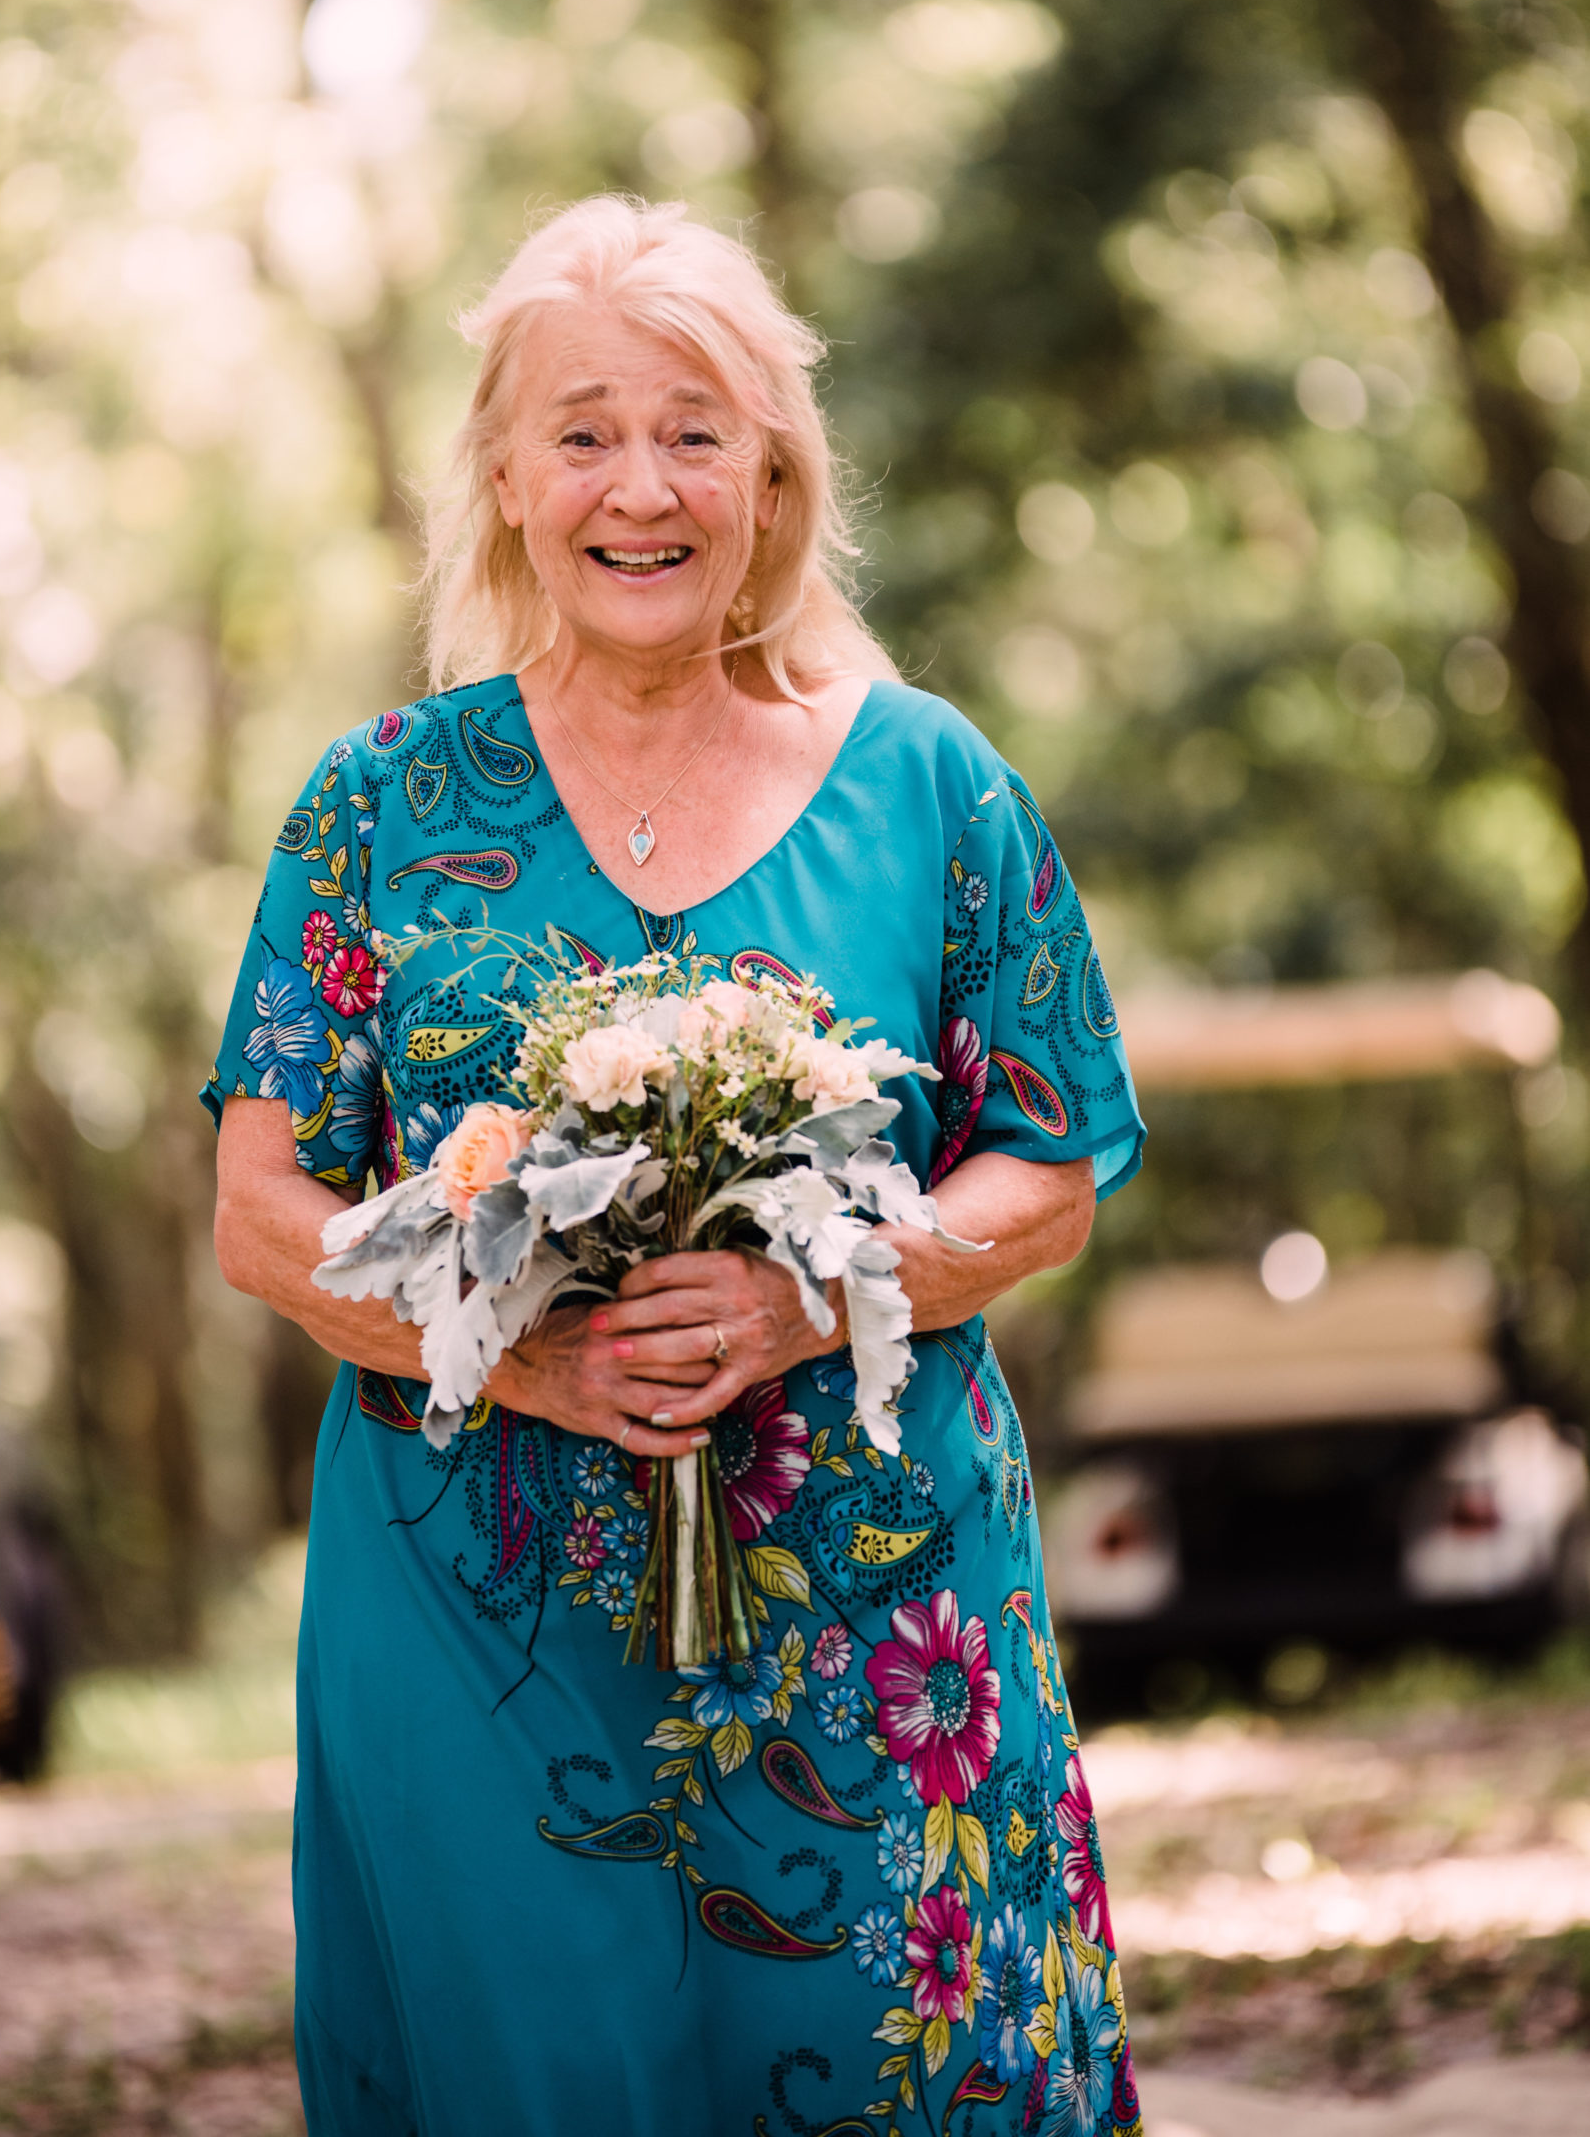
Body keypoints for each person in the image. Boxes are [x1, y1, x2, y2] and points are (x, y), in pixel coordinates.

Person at [205, 197, 1146, 2137]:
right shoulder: (376, 801)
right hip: (479, 1625)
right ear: (502, 476)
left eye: (696, 430)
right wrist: (517, 1348)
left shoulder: (931, 782)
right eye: (583, 429)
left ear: (776, 475)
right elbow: (260, 1212)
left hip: (881, 1612)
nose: (642, 485)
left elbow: (1046, 1168)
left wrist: (819, 1288)